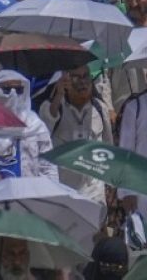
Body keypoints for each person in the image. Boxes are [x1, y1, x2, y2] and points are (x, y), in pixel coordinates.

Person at [39, 65, 113, 201]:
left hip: (95, 190)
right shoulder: (53, 107)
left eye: (85, 76)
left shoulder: (100, 108)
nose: (82, 82)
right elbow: (46, 124)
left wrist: (110, 184)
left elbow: (109, 147)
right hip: (64, 190)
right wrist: (59, 94)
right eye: (76, 77)